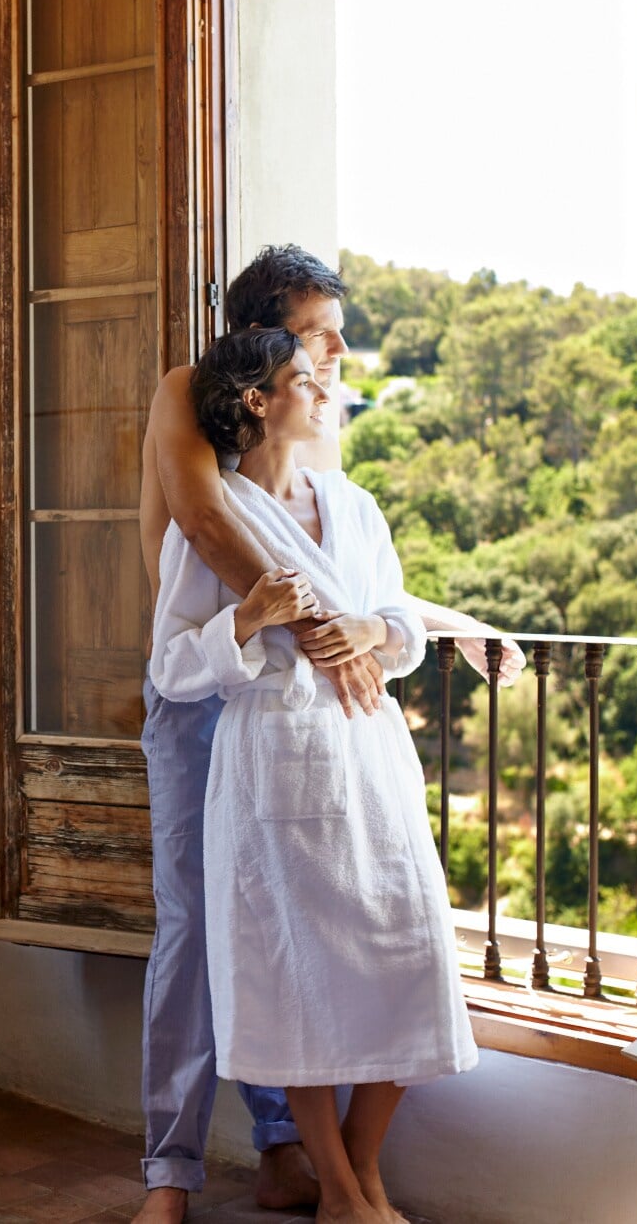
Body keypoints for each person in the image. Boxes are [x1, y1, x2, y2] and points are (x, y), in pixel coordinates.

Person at [133, 245, 520, 1219]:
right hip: (233, 736)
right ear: (263, 376)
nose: (336, 358)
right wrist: (271, 622)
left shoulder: (346, 497)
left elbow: (376, 606)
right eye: (315, 343)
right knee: (225, 937)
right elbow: (200, 548)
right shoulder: (193, 415)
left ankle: (315, 1166)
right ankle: (171, 1172)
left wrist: (421, 629)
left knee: (386, 944)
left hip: (358, 761)